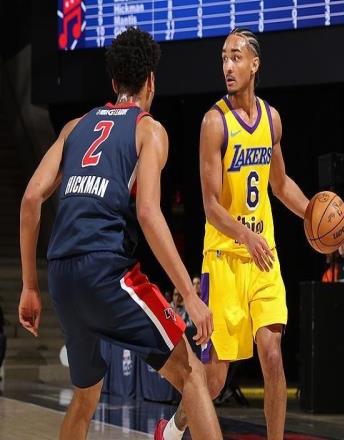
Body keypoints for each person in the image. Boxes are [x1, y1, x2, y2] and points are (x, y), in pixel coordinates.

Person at [18, 28, 222, 440]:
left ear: (113, 83)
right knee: (193, 374)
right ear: (151, 81)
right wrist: (190, 295)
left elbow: (30, 200)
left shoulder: (74, 127)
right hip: (107, 272)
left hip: (62, 276)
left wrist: (29, 287)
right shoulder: (149, 130)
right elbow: (148, 212)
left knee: (85, 396)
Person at [159, 28, 309, 440]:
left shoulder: (271, 119)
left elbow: (280, 184)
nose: (228, 65)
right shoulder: (214, 122)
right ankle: (174, 427)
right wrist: (246, 235)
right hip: (224, 258)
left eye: (236, 57)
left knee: (272, 356)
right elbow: (210, 205)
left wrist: (311, 211)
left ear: (254, 64)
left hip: (264, 257)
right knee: (213, 381)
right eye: (224, 58)